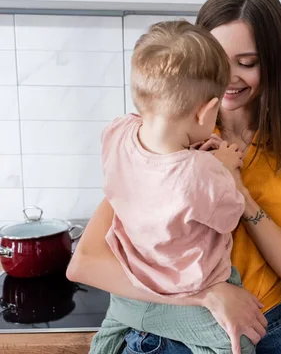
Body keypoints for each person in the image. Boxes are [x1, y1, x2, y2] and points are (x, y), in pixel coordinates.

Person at [67, 0, 281, 354]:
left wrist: (238, 190)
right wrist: (208, 295)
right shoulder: (169, 139)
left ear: (273, 63)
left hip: (269, 330)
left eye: (247, 63)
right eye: (218, 61)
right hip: (174, 333)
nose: (228, 78)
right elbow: (87, 264)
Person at [88, 20, 256, 354]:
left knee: (108, 336)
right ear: (207, 110)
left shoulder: (117, 132)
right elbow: (229, 216)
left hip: (130, 287)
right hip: (188, 294)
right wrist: (223, 165)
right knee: (240, 343)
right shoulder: (202, 173)